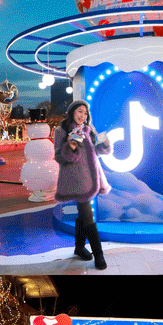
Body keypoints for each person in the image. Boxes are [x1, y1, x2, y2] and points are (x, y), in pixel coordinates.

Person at [53, 101, 112, 269]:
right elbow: (59, 157)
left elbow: (96, 152)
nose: (83, 116)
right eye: (80, 112)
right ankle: (99, 255)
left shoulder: (88, 129)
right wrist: (69, 147)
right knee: (88, 216)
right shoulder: (62, 131)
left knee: (82, 214)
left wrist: (105, 145)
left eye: (85, 113)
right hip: (76, 180)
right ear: (72, 112)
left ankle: (79, 247)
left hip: (91, 176)